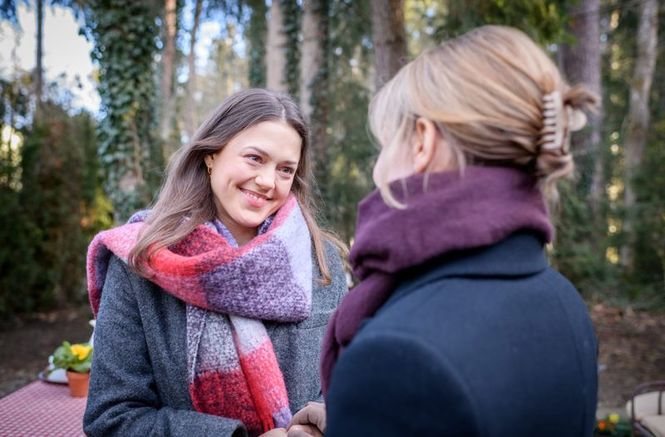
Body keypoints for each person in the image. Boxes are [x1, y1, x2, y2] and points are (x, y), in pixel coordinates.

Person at [294, 25, 599, 436]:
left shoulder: (397, 354)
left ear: (422, 142)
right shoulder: (563, 299)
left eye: (385, 144)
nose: (377, 169)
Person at [83, 89, 348, 437]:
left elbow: (346, 377)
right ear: (211, 154)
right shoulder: (142, 261)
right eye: (255, 158)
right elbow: (112, 417)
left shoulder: (321, 261)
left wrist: (317, 425)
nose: (268, 181)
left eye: (285, 169)